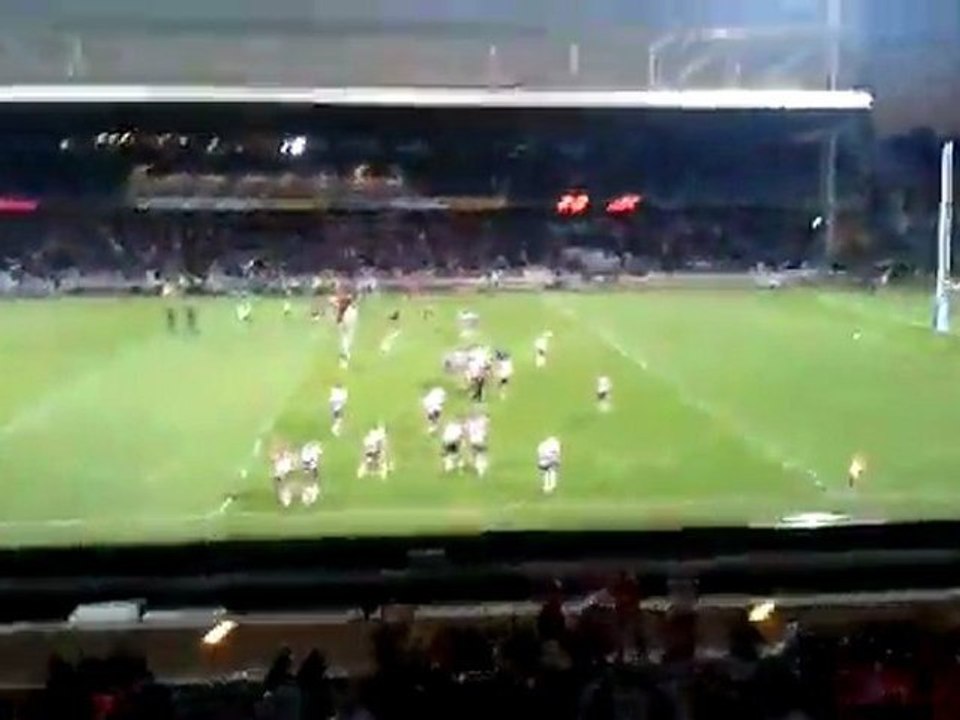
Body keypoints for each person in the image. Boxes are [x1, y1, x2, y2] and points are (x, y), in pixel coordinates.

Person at [466, 412, 490, 476]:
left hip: (473, 441)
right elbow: (485, 428)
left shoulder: (470, 424)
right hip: (480, 440)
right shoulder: (481, 422)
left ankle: (477, 466)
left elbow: (468, 433)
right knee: (482, 454)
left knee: (475, 454)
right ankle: (481, 468)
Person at [300, 441, 322, 505]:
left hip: (308, 460)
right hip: (308, 460)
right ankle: (310, 483)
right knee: (310, 471)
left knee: (310, 471)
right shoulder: (310, 450)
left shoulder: (307, 449)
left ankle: (312, 482)